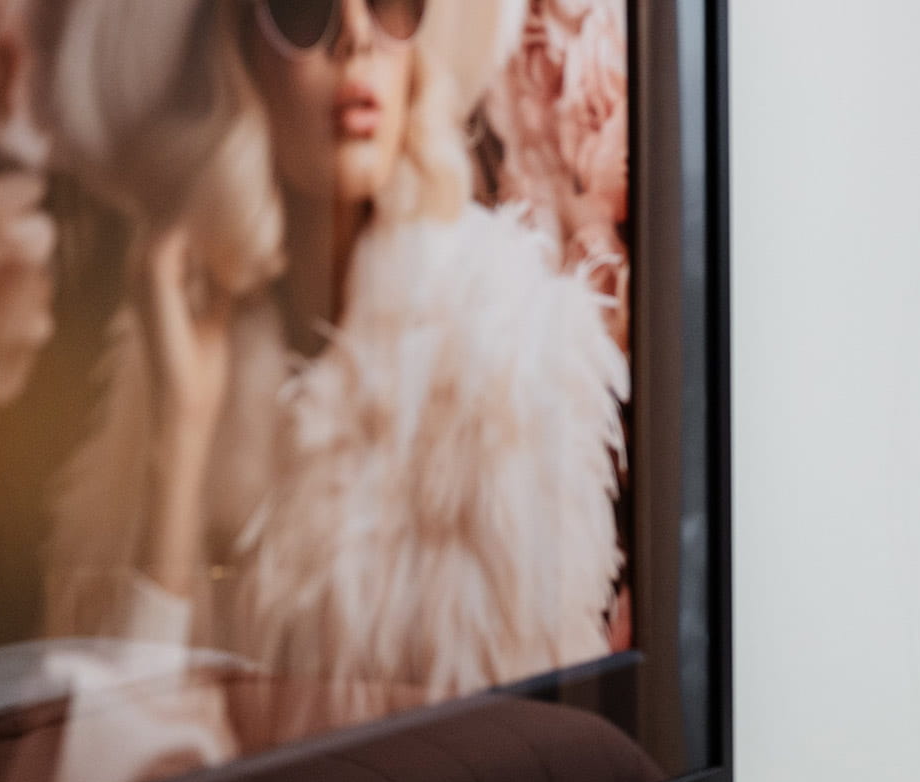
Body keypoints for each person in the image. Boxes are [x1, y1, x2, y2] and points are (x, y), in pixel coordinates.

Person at [36, 0, 628, 709]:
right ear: (238, 61)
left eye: (389, 5)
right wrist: (180, 445)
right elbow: (130, 763)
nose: (355, 38)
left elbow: (526, 756)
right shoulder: (167, 371)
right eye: (302, 8)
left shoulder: (514, 356)